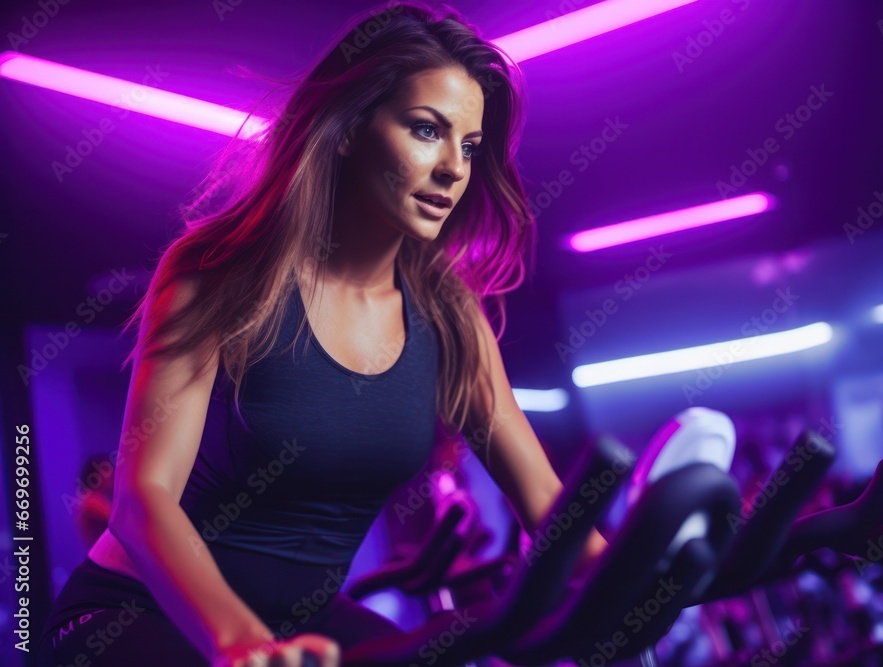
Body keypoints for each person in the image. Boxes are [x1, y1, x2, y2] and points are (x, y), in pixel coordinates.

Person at [37, 3, 609, 666]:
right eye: (427, 130)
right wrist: (239, 639)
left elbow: (547, 503)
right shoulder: (217, 273)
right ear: (348, 129)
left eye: (471, 145)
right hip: (128, 613)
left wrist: (634, 567)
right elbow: (141, 500)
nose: (455, 167)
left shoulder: (449, 311)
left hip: (299, 622)